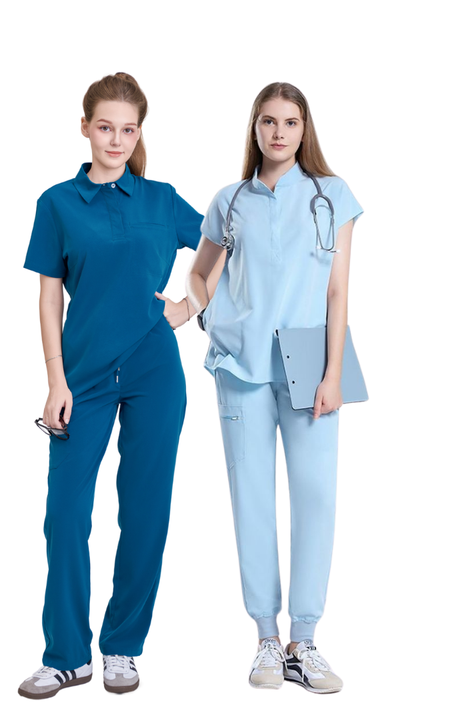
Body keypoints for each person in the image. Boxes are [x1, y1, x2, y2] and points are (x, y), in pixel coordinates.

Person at [18, 72, 222, 697]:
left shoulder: (160, 199)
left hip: (154, 370)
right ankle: (66, 654)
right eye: (104, 127)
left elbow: (223, 244)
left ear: (139, 134)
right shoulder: (57, 203)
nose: (115, 140)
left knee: (145, 512)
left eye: (128, 130)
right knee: (64, 516)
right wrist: (55, 380)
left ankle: (122, 648)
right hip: (82, 375)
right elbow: (49, 297)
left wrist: (189, 307)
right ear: (84, 127)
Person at [186, 82, 363, 693]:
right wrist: (212, 319)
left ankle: (303, 640)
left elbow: (338, 289)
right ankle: (266, 637)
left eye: (290, 121)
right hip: (241, 365)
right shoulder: (230, 200)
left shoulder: (331, 195)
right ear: (255, 128)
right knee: (252, 499)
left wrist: (333, 373)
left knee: (316, 497)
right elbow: (200, 275)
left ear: (304, 128)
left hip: (311, 363)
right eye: (268, 121)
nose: (279, 132)